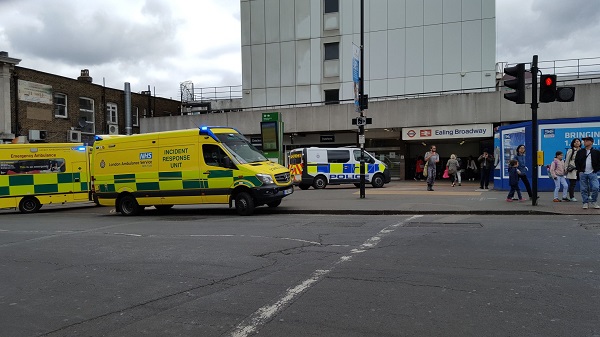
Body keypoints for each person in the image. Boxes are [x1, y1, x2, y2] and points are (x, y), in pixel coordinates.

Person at [574, 136, 600, 209]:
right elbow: (576, 161)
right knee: (583, 189)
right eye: (584, 141)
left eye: (586, 140)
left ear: (591, 142)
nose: (584, 142)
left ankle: (594, 201)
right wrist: (580, 170)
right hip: (583, 173)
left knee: (596, 187)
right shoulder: (580, 152)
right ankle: (585, 202)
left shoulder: (596, 152)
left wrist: (596, 169)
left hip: (593, 173)